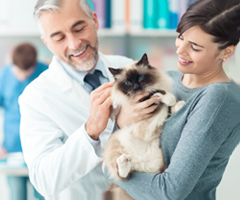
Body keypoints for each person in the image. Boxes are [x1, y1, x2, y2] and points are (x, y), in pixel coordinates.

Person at [18, 0, 162, 199]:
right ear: (47, 43)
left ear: (94, 20)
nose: (74, 44)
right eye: (59, 38)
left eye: (79, 28)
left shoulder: (126, 66)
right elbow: (44, 180)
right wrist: (91, 130)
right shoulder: (36, 97)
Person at [105, 0, 240, 200]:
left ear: (227, 51)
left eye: (194, 47)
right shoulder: (170, 78)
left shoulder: (218, 100)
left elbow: (169, 191)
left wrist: (112, 170)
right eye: (181, 37)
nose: (180, 50)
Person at [0, 43, 48, 200]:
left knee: (43, 194)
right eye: (18, 72)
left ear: (34, 65)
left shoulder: (46, 73)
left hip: (42, 149)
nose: (21, 77)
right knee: (17, 195)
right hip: (13, 150)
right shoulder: (3, 76)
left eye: (26, 72)